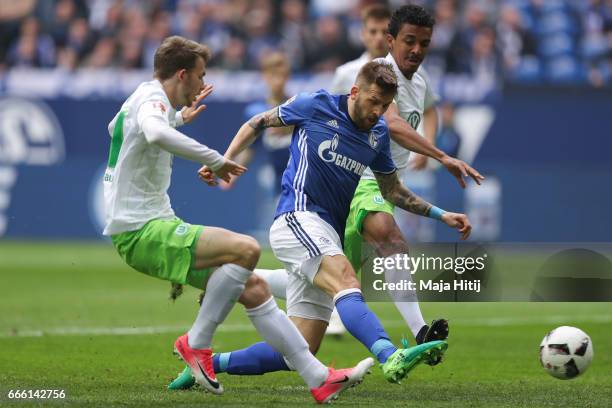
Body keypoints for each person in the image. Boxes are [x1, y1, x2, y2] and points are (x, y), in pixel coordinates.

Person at [103, 35, 374, 403]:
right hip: (141, 229)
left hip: (147, 224)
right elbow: (152, 131)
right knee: (246, 249)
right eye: (199, 76)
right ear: (182, 74)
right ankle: (196, 344)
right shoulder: (151, 100)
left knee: (255, 289)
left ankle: (319, 378)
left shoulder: (146, 99)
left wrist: (178, 116)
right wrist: (215, 158)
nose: (202, 84)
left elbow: (122, 128)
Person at [193, 60, 470, 385]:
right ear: (354, 92)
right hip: (297, 217)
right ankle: (389, 356)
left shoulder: (377, 135)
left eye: (384, 105)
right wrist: (222, 159)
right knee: (347, 280)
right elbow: (258, 122)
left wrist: (440, 214)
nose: (378, 112)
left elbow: (393, 191)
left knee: (299, 349)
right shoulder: (315, 104)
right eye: (373, 102)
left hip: (327, 233)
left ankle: (206, 362)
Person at [252, 5, 484, 343]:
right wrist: (441, 155)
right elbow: (390, 123)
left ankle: (239, 277)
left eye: (424, 43)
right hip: (359, 176)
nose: (417, 49)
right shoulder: (372, 75)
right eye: (409, 41)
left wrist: (430, 143)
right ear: (390, 41)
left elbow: (430, 110)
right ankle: (420, 331)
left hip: (385, 182)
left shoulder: (419, 80)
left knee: (324, 275)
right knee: (388, 237)